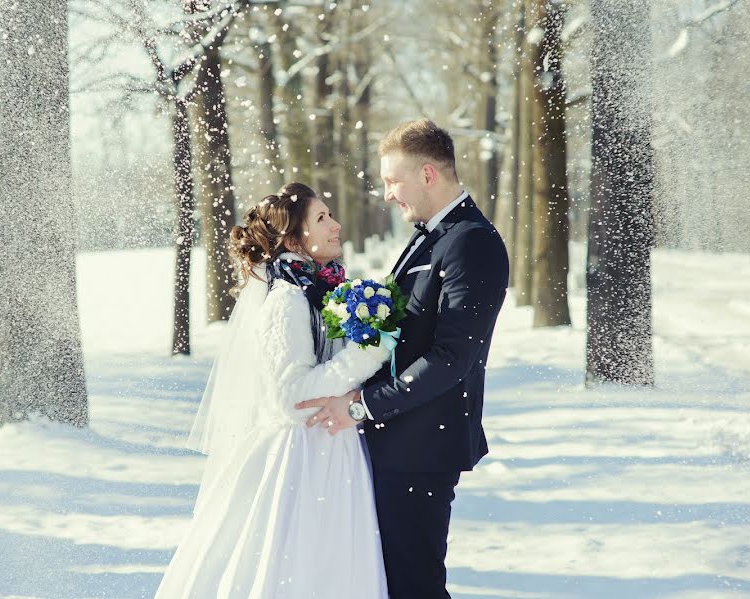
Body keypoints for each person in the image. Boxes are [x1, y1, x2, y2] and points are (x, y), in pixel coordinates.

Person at [299, 119, 510, 598]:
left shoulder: (471, 242)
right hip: (398, 443)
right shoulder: (430, 237)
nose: (388, 194)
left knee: (414, 585)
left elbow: (451, 357)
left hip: (422, 449)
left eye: (394, 181)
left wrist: (362, 405)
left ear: (429, 174)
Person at [154, 182, 390, 599]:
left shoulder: (320, 291)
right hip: (300, 461)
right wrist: (368, 353)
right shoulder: (288, 300)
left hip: (335, 452)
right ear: (295, 240)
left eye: (330, 215)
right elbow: (292, 396)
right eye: (322, 219)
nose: (335, 226)